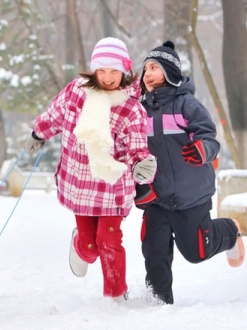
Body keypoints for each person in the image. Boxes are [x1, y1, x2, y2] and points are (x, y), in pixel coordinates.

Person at [25, 37, 157, 301]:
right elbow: (55, 114)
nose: (108, 77)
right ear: (94, 70)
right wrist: (38, 133)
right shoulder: (77, 92)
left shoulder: (131, 108)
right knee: (90, 248)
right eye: (102, 70)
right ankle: (80, 243)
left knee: (108, 242)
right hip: (81, 184)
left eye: (114, 71)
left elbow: (136, 145)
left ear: (124, 71)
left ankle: (116, 296)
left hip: (112, 187)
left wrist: (141, 162)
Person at [139, 41, 245, 305]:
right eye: (145, 69)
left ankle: (230, 231)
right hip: (157, 197)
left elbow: (210, 137)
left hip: (190, 194)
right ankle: (158, 300)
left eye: (154, 67)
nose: (147, 73)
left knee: (197, 251)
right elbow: (132, 150)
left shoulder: (186, 104)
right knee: (154, 250)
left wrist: (202, 149)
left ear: (170, 71)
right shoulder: (139, 111)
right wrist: (138, 184)